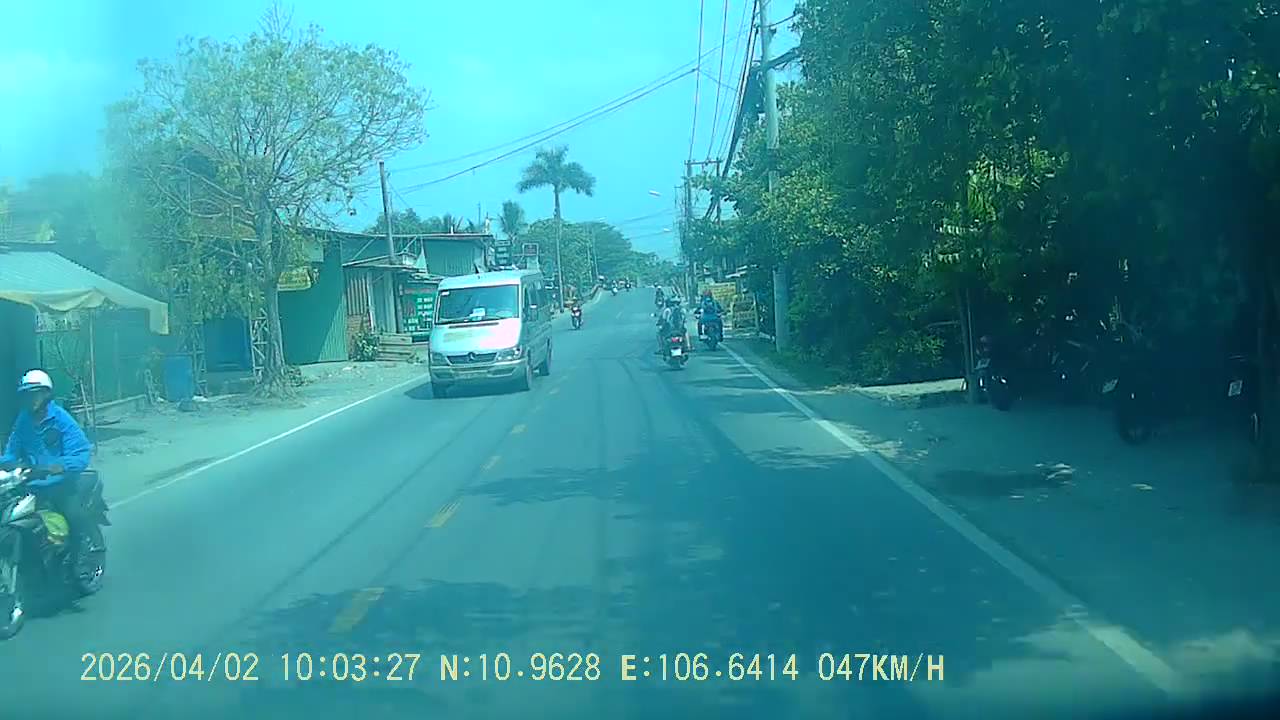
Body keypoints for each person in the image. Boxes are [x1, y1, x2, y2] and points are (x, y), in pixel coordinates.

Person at [0, 369, 93, 554]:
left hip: (62, 485)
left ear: (47, 394)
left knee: (73, 516)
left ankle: (81, 555)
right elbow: (11, 452)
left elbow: (81, 452)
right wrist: (6, 464)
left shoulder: (61, 419)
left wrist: (59, 466)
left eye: (35, 394)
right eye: (27, 395)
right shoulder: (23, 420)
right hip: (31, 484)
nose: (31, 399)